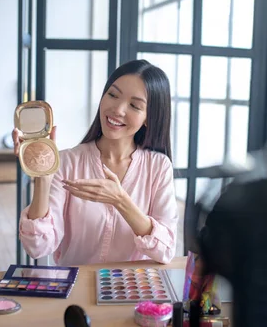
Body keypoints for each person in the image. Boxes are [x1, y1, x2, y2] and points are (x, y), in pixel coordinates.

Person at [12, 59, 179, 266]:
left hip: (131, 291)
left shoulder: (158, 167)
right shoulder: (67, 162)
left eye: (134, 105)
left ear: (148, 117)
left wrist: (120, 200)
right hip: (74, 290)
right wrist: (43, 179)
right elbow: (37, 247)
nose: (117, 109)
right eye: (112, 95)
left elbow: (166, 249)